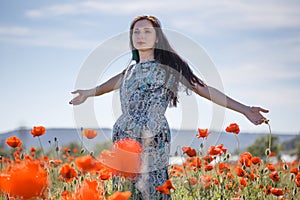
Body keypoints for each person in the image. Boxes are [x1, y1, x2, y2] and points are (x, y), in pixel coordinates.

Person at [69, 15, 269, 200]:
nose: (140, 36)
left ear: (157, 38)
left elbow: (204, 89)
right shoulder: (129, 69)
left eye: (147, 31)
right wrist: (88, 92)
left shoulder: (169, 67)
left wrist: (244, 109)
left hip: (153, 136)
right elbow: (107, 86)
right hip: (124, 136)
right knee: (125, 191)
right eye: (136, 32)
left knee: (153, 190)